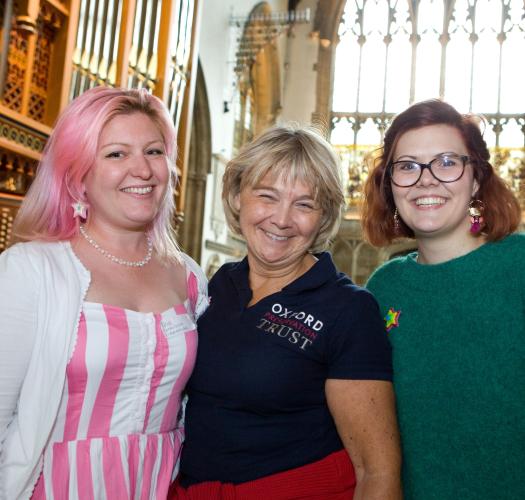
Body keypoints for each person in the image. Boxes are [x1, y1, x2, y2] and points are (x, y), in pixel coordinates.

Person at [171, 125, 402, 500]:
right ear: (236, 196)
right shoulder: (219, 284)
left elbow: (377, 471)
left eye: (305, 204)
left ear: (324, 215)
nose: (281, 219)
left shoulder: (348, 309)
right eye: (267, 196)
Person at [0, 86, 208, 499]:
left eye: (154, 151)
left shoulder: (188, 276)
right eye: (116, 154)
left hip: (163, 485)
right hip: (61, 486)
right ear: (78, 175)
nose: (143, 171)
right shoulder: (33, 269)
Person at [362, 99, 525, 499]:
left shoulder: (518, 267)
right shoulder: (383, 290)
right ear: (390, 185)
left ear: (476, 179)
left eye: (447, 162)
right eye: (407, 166)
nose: (426, 180)